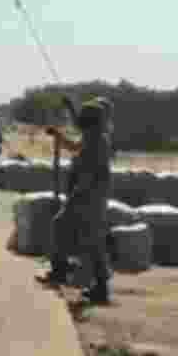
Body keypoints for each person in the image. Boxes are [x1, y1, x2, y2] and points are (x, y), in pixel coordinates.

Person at [39, 101, 113, 304]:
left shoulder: (96, 141)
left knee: (76, 232)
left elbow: (89, 173)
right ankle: (74, 276)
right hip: (91, 195)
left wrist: (75, 196)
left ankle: (68, 274)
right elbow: (73, 146)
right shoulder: (94, 137)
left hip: (88, 196)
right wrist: (58, 136)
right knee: (78, 233)